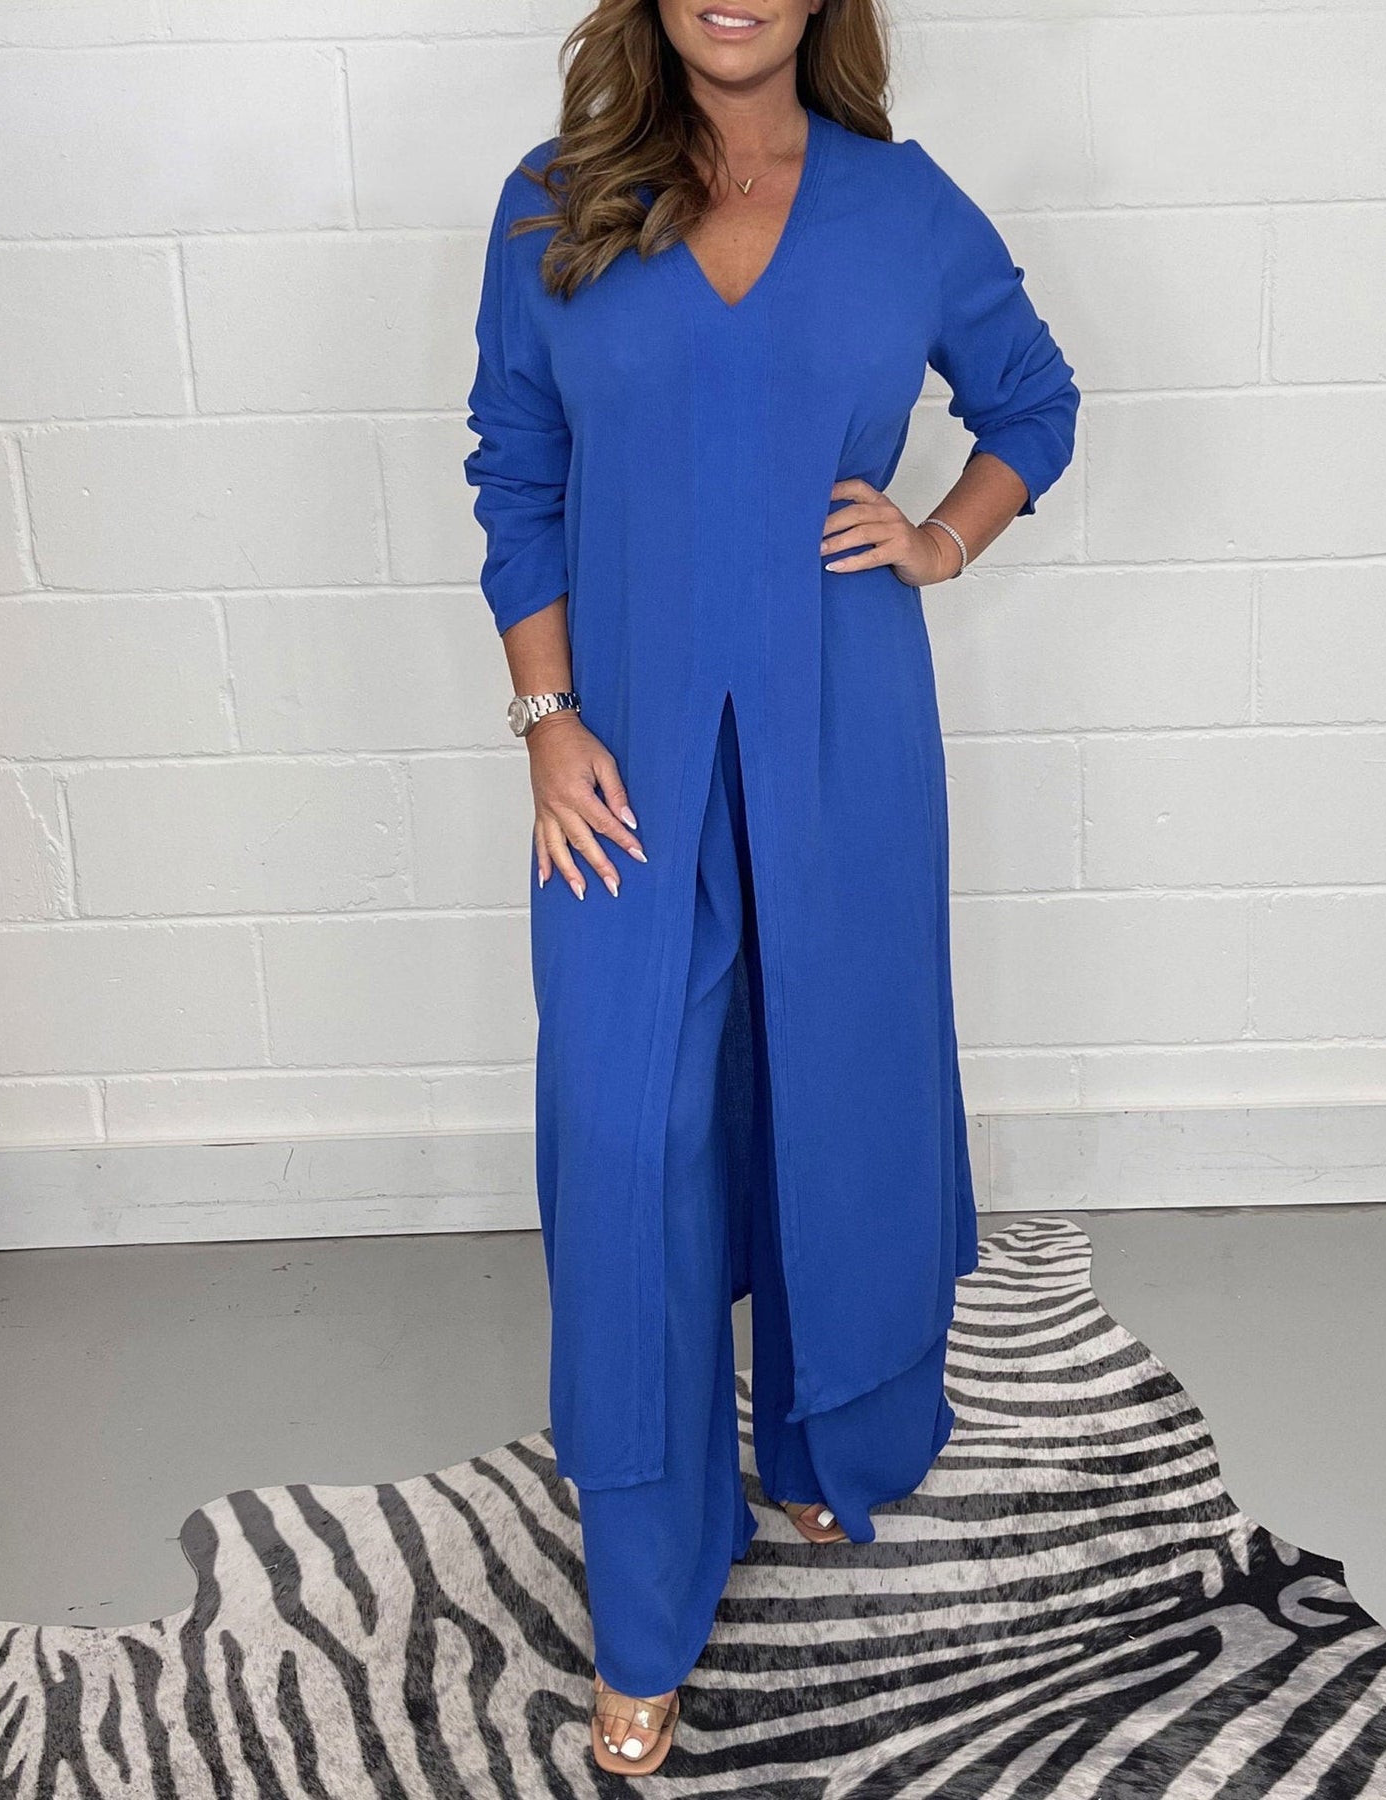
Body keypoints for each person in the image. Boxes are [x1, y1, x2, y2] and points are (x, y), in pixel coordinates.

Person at [463, 0, 1079, 1775]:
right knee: (625, 1141)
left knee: (838, 1087)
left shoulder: (902, 205)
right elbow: (515, 470)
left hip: (844, 735)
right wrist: (546, 720)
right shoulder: (554, 198)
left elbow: (1033, 401)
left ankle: (829, 1436)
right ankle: (645, 1598)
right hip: (625, 755)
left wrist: (939, 535)